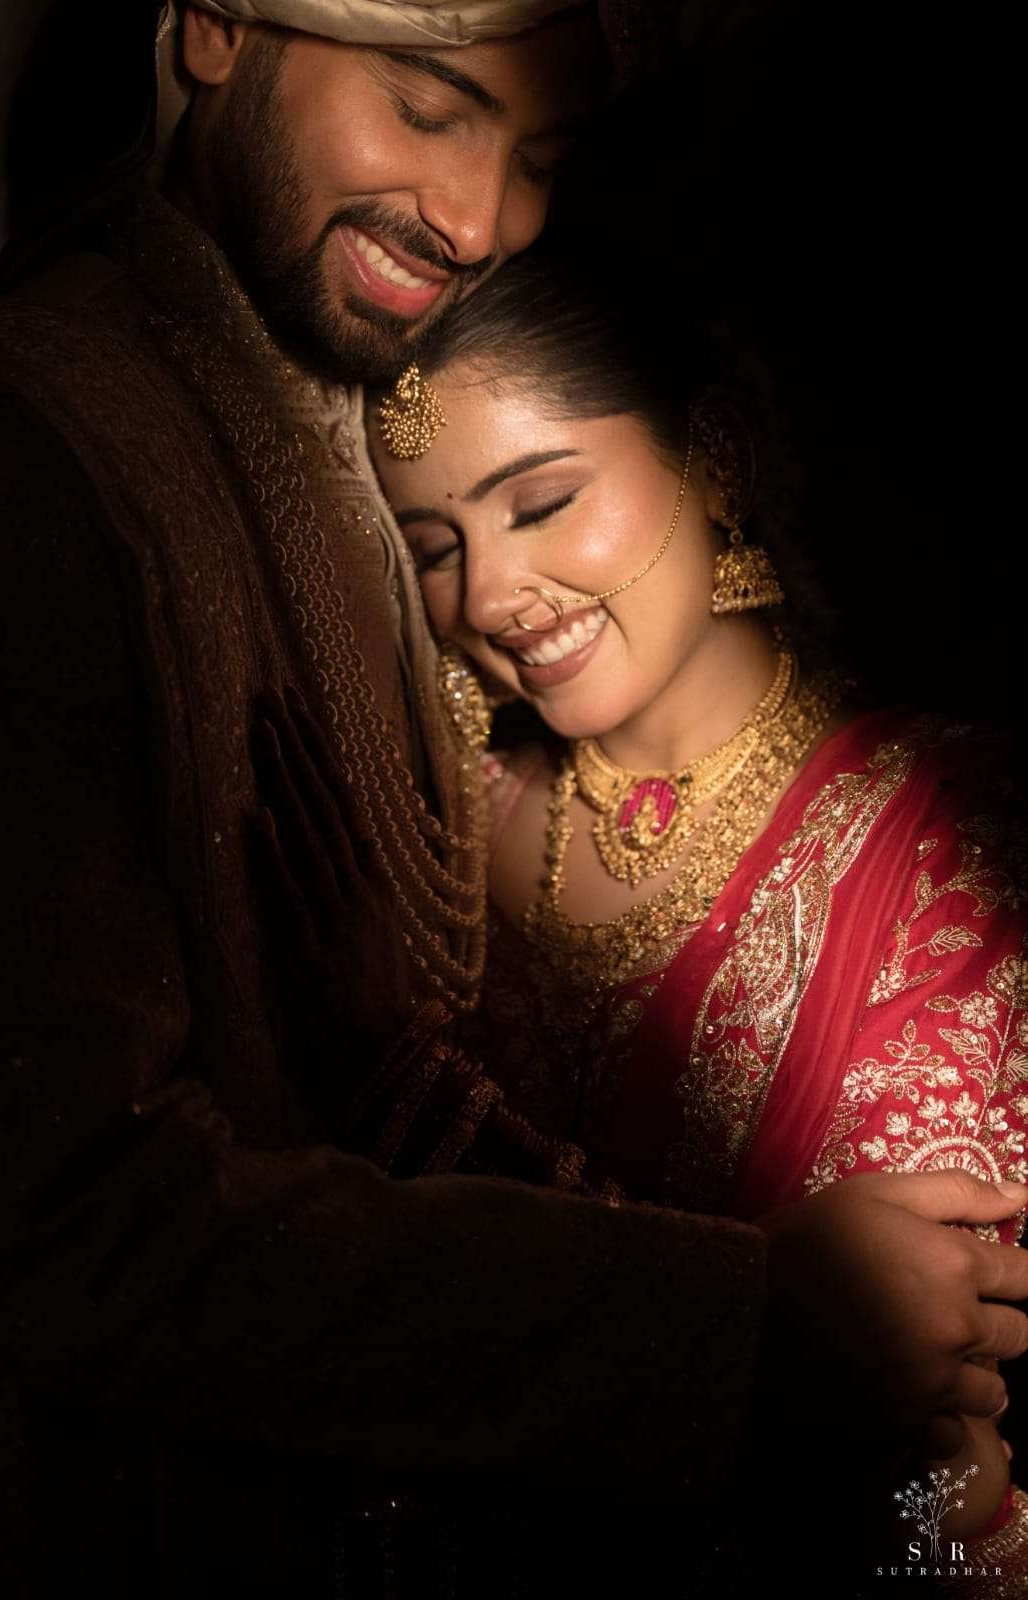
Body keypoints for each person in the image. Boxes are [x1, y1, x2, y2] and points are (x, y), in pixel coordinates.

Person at [0, 2, 1026, 1593]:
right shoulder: (52, 436)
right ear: (210, 24)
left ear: (709, 463)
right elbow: (58, 1220)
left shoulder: (944, 837)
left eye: (535, 154)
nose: (478, 223)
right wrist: (727, 1321)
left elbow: (925, 1463)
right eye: (427, 103)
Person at [368, 248, 1028, 1585]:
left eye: (542, 502)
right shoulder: (425, 855)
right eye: (434, 548)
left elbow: (921, 1427)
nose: (487, 595)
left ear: (712, 462)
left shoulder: (957, 828)